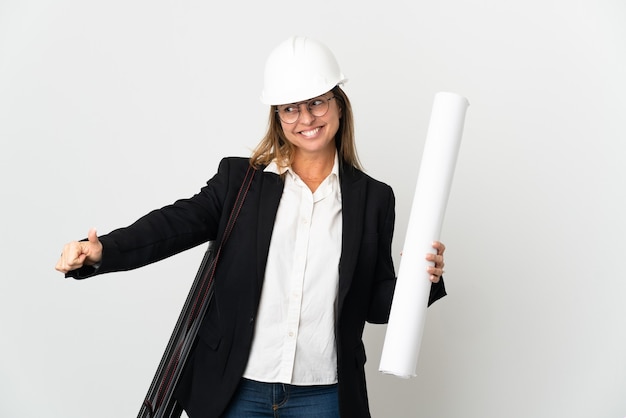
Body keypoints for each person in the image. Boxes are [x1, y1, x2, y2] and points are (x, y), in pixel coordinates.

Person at [55, 36, 447, 418]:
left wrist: (422, 281)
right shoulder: (240, 181)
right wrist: (102, 250)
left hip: (325, 394)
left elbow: (374, 303)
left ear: (339, 105)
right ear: (277, 116)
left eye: (316, 103)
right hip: (237, 390)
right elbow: (172, 226)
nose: (306, 119)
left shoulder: (374, 198)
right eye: (290, 108)